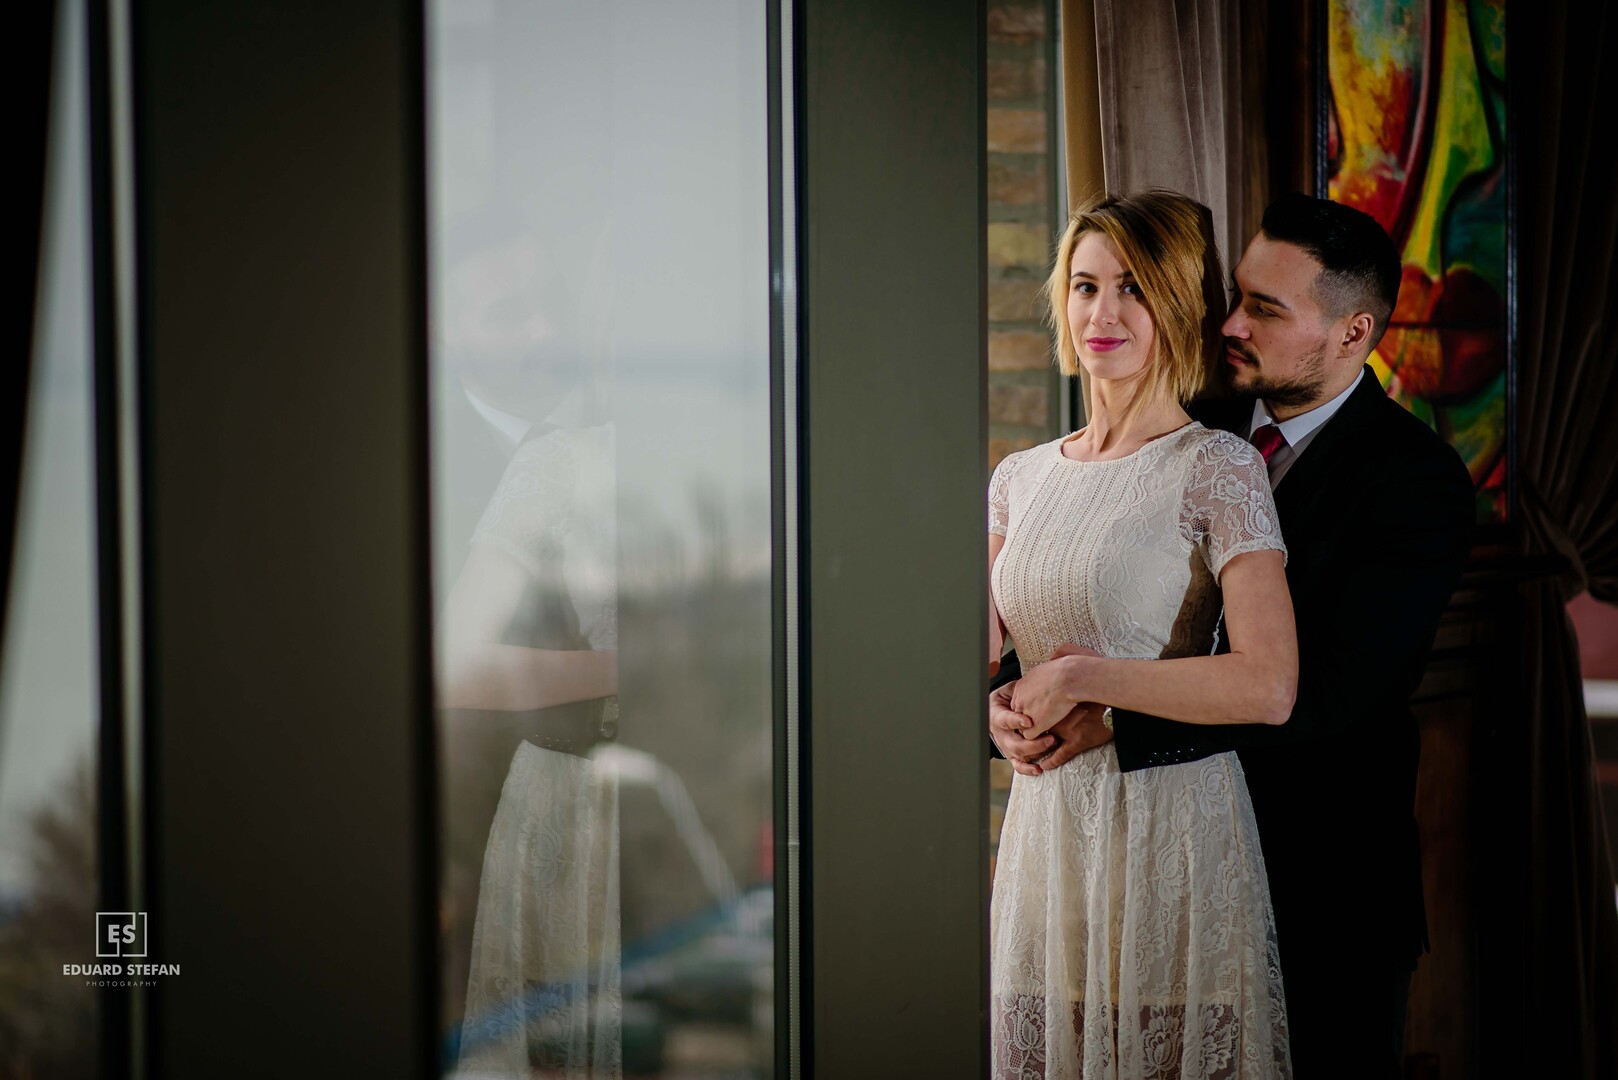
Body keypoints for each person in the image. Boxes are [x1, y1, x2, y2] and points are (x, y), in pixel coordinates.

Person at [993, 193, 1475, 1077]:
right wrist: (1013, 710)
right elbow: (1075, 613)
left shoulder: (1416, 484)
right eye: (1234, 295)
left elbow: (1321, 693)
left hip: (1319, 885)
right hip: (1132, 873)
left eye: (1264, 309)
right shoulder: (1186, 426)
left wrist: (1106, 711)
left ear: (1352, 333)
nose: (1229, 323)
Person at [988, 190, 1297, 1078]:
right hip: (1047, 834)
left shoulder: (1219, 467)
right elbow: (980, 658)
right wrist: (996, 715)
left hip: (1173, 836)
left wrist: (1084, 677)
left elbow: (1268, 685)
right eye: (1085, 287)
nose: (1104, 313)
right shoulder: (1020, 478)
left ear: (1177, 304)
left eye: (1133, 288)